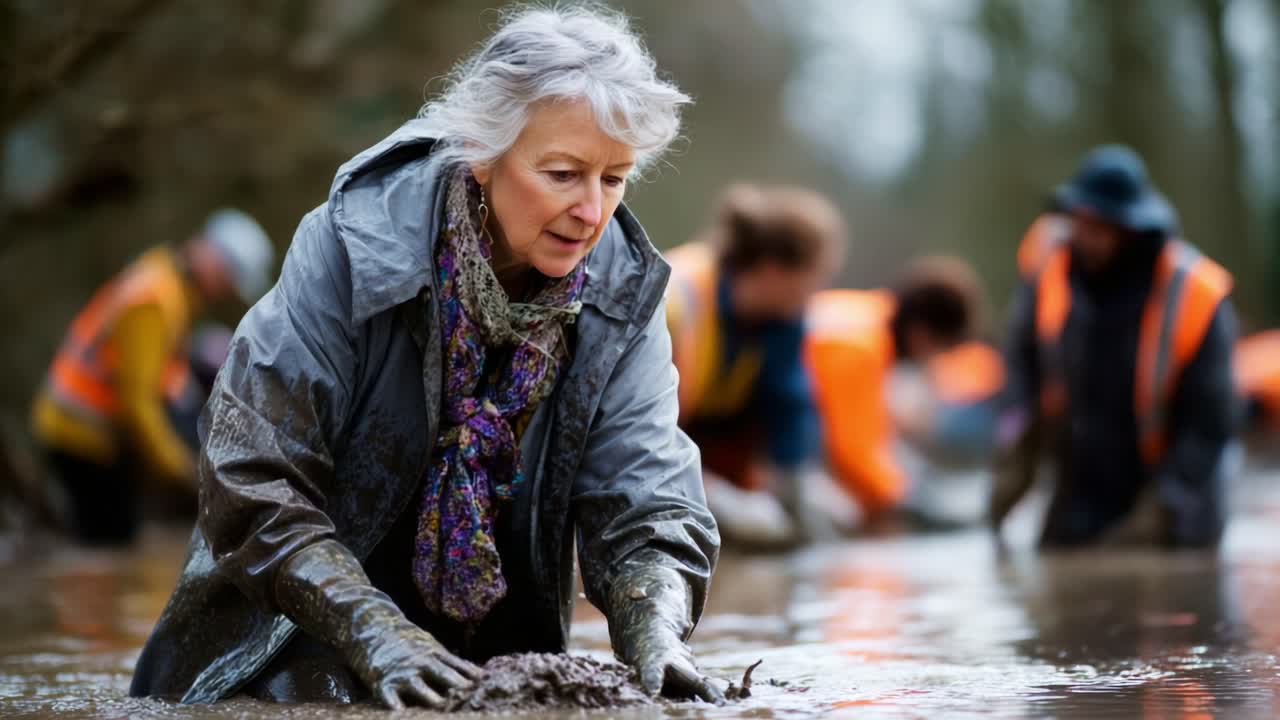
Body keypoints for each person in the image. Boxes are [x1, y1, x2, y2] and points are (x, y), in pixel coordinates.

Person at [129, 7, 722, 710]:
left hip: (492, 657)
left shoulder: (625, 295)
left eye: (615, 179)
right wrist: (372, 630)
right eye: (563, 174)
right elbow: (251, 474)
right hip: (284, 643)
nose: (592, 212)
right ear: (482, 151)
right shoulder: (348, 245)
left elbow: (646, 498)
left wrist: (655, 632)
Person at [990, 144, 1238, 548]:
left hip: (1171, 496)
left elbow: (1211, 422)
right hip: (1079, 488)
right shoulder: (1051, 272)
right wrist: (1014, 453)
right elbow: (1023, 369)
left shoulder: (1196, 292)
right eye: (1079, 221)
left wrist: (1167, 505)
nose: (1084, 235)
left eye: (1098, 225)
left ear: (1130, 228)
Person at [30, 209, 273, 544]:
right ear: (212, 259)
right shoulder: (155, 300)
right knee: (108, 547)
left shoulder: (169, 288)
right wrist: (184, 470)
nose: (227, 291)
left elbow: (165, 387)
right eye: (229, 278)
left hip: (96, 438)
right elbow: (137, 403)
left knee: (111, 545)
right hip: (80, 438)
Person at [664, 184, 845, 546]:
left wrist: (798, 494)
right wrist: (716, 498)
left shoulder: (779, 321)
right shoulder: (674, 301)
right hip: (651, 465)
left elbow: (790, 405)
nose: (815, 292)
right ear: (774, 270)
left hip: (703, 463)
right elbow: (636, 433)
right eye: (813, 278)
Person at [806, 257, 1003, 529]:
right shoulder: (860, 348)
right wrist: (906, 499)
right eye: (939, 351)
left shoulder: (864, 314)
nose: (930, 361)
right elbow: (851, 453)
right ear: (923, 334)